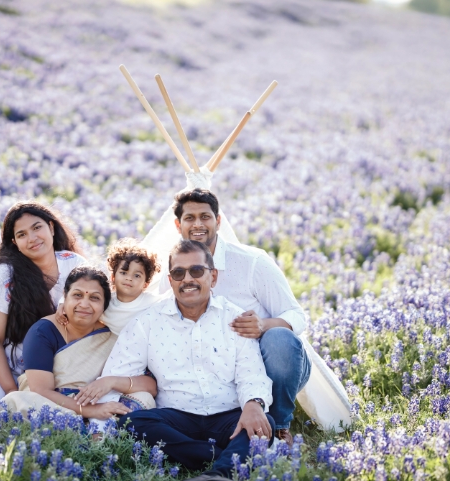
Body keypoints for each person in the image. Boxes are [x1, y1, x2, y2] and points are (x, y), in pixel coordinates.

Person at [94, 240, 274, 480]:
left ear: (214, 277)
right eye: (179, 272)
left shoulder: (234, 318)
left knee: (263, 422)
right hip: (176, 418)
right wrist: (100, 425)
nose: (187, 279)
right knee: (133, 422)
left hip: (228, 415)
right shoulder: (147, 322)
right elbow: (116, 371)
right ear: (171, 281)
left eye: (197, 271)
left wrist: (253, 405)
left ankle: (216, 473)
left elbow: (251, 373)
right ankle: (224, 458)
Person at [162, 188, 311, 446]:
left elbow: (297, 315)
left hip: (269, 362)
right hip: (218, 370)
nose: (198, 224)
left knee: (279, 339)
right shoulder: (176, 269)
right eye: (189, 218)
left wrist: (263, 325)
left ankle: (276, 425)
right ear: (178, 225)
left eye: (205, 217)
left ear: (218, 221)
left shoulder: (252, 261)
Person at [0, 201, 86, 402]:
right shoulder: (3, 275)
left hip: (36, 361)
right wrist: (13, 392)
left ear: (51, 227)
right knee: (0, 409)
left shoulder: (74, 264)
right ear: (14, 242)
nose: (32, 238)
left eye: (37, 228)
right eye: (22, 235)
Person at [3, 266, 157, 418]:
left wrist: (110, 382)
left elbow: (151, 386)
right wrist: (91, 411)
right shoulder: (43, 331)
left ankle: (98, 431)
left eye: (94, 298)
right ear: (65, 296)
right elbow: (41, 391)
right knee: (14, 400)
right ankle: (90, 432)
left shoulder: (114, 334)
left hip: (101, 402)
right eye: (77, 295)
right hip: (54, 407)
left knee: (144, 398)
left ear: (105, 304)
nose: (84, 304)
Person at [100, 237, 162, 335]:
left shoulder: (153, 303)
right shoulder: (105, 304)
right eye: (123, 273)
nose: (129, 278)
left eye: (137, 275)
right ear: (113, 277)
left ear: (146, 284)